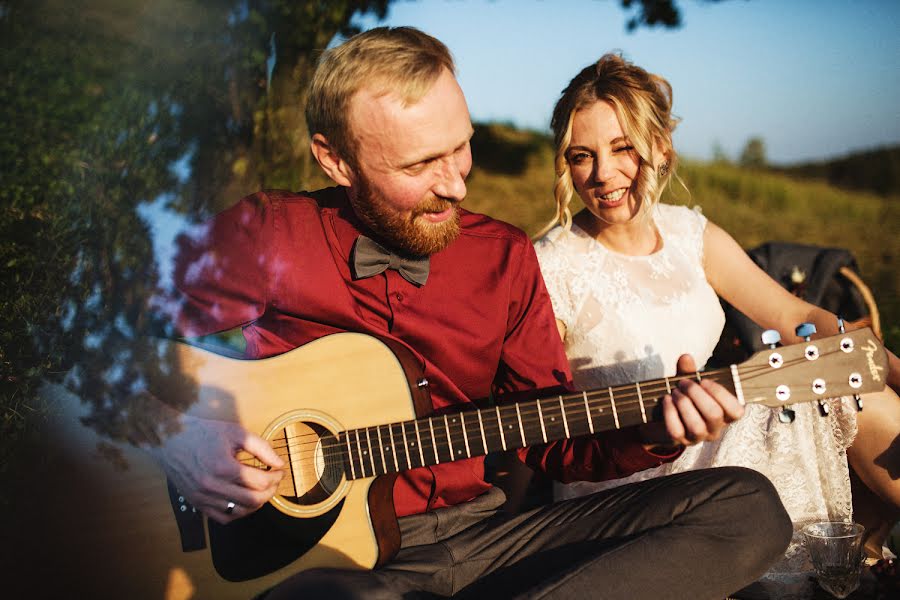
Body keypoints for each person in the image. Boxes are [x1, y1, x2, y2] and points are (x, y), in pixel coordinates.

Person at [153, 28, 792, 599]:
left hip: (490, 539)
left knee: (747, 507)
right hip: (331, 565)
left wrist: (657, 431)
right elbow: (96, 348)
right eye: (421, 164)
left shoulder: (502, 256)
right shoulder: (270, 236)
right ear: (336, 160)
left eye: (462, 148)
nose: (457, 183)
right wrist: (174, 434)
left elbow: (559, 443)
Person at [533, 52, 900, 591]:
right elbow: (536, 413)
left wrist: (890, 367)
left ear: (660, 148)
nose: (602, 174)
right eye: (582, 155)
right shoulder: (552, 264)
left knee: (852, 387)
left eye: (622, 148)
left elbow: (795, 313)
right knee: (836, 397)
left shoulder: (687, 233)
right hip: (626, 481)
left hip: (713, 433)